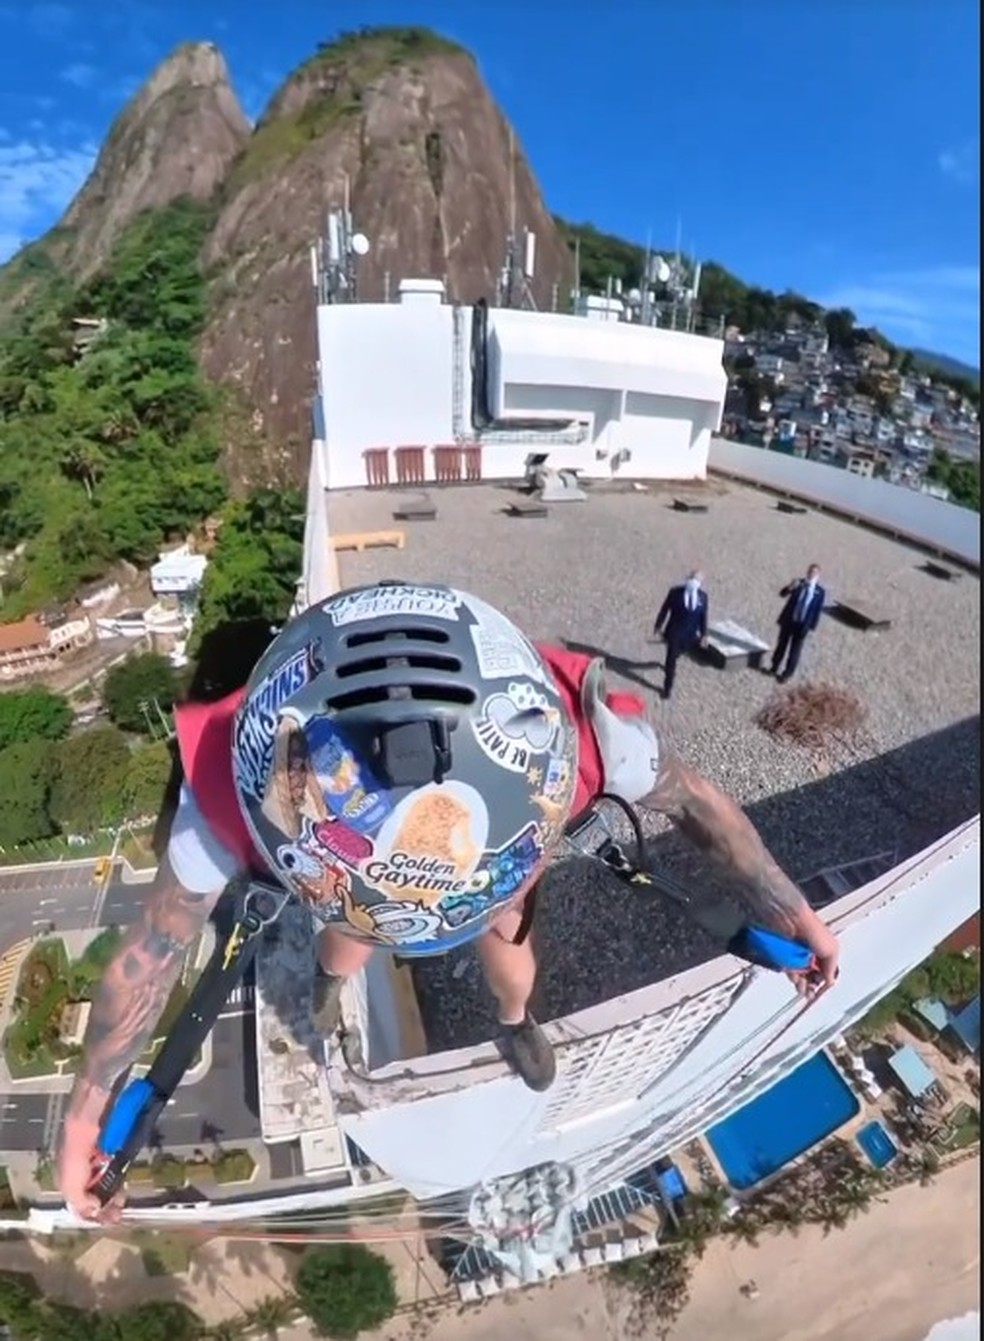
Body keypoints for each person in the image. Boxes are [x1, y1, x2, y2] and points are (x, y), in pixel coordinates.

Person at [58, 581, 840, 1221]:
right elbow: (697, 806)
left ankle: (504, 1017)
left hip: (424, 879)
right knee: (359, 940)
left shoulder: (578, 739)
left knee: (499, 952)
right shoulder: (249, 781)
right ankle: (347, 981)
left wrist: (90, 1112)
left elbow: (154, 949)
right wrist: (789, 914)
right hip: (414, 877)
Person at [653, 569, 710, 699]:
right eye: (693, 578)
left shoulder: (703, 597)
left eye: (698, 579)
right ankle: (667, 688)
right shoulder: (675, 593)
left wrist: (704, 634)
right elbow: (664, 610)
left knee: (678, 653)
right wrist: (658, 625)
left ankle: (673, 661)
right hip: (674, 631)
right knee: (671, 659)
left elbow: (703, 617)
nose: (695, 582)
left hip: (690, 635)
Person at [771, 563, 826, 682]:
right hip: (789, 620)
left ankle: (787, 673)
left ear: (818, 575)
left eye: (814, 572)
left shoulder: (819, 592)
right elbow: (782, 594)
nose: (812, 574)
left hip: (802, 625)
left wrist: (811, 626)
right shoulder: (798, 583)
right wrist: (790, 587)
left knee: (794, 651)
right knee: (781, 645)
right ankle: (774, 666)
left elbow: (817, 611)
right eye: (810, 571)